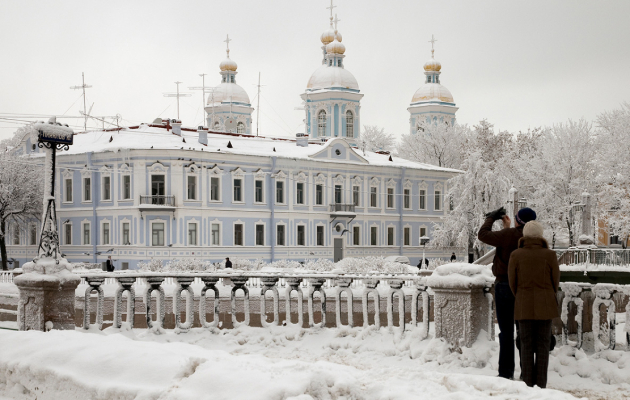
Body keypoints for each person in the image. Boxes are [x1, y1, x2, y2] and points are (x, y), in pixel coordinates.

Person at [478, 206, 536, 380]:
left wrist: (492, 218)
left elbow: (483, 234)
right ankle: (527, 372)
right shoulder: (533, 238)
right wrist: (507, 229)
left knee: (506, 332)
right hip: (525, 289)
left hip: (504, 286)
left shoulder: (508, 235)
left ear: (518, 220)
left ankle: (506, 372)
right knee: (523, 330)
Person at [508, 221, 559, 388]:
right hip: (546, 306)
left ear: (525, 236)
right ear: (541, 235)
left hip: (523, 305)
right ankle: (541, 387)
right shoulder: (550, 255)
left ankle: (528, 386)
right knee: (544, 345)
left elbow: (512, 283)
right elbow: (555, 282)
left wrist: (522, 295)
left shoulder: (516, 255)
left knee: (526, 345)